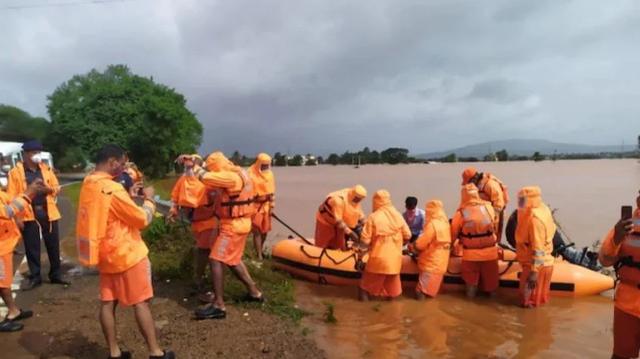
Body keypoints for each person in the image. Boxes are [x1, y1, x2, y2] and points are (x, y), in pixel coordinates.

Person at [76, 144, 174, 359]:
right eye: (121, 164)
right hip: (128, 254)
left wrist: (128, 196)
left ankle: (114, 352)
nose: (123, 168)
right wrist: (149, 199)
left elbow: (108, 212)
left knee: (107, 303)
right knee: (141, 303)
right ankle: (155, 352)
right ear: (112, 162)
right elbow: (140, 219)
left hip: (105, 254)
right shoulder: (113, 189)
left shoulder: (89, 183)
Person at [182, 152, 263, 320]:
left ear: (216, 166)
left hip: (232, 226)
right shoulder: (241, 172)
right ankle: (255, 293)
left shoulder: (230, 177)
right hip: (240, 223)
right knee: (232, 260)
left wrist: (192, 165)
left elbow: (206, 177)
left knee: (215, 259)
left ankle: (219, 305)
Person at [7, 140, 69, 290]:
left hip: (48, 212)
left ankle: (55, 274)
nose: (37, 155)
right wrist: (17, 217)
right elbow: (12, 196)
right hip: (28, 213)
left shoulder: (46, 169)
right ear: (26, 154)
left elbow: (56, 188)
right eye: (34, 153)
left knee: (53, 244)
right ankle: (35, 277)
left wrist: (47, 190)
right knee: (32, 247)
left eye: (38, 152)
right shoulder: (15, 173)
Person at [168, 154, 218, 301]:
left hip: (209, 222)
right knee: (202, 252)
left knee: (205, 252)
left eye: (193, 164)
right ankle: (201, 280)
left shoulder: (207, 180)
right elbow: (174, 196)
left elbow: (215, 196)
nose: (189, 167)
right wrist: (173, 209)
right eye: (187, 165)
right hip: (196, 222)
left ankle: (208, 284)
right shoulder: (183, 179)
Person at [0, 176, 47, 332]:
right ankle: (5, 319)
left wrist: (29, 193)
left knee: (4, 282)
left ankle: (13, 311)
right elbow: (6, 211)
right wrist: (29, 193)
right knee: (2, 283)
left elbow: (10, 201)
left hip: (4, 245)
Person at [599, 190, 640, 359]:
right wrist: (616, 238)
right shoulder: (627, 224)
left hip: (627, 303)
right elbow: (604, 260)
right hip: (627, 305)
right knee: (621, 356)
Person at [358, 190, 411, 301]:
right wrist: (399, 244)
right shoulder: (398, 215)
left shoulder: (373, 217)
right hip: (395, 261)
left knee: (364, 289)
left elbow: (364, 242)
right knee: (394, 293)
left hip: (378, 260)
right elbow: (408, 235)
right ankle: (394, 315)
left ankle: (364, 314)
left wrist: (360, 259)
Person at [451, 183, 499, 298]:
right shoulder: (489, 208)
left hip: (470, 255)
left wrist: (451, 248)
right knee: (492, 287)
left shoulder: (461, 213)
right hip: (491, 254)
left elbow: (453, 233)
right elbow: (495, 226)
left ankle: (470, 302)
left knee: (471, 285)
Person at [514, 187, 556, 308]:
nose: (520, 203)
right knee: (538, 302)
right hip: (546, 264)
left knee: (526, 303)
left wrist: (534, 272)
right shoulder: (543, 210)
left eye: (522, 200)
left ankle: (530, 325)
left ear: (529, 200)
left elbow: (538, 249)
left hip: (535, 267)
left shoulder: (534, 220)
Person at [408, 200, 451, 299]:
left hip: (431, 264)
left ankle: (422, 313)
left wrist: (412, 247)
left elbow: (421, 244)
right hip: (441, 264)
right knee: (430, 292)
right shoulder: (445, 224)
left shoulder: (432, 225)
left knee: (420, 291)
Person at [461, 167, 508, 243]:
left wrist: (493, 219)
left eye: (469, 182)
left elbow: (499, 205)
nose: (469, 185)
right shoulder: (477, 186)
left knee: (494, 236)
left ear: (474, 179)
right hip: (485, 214)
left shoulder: (490, 185)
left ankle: (495, 246)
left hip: (497, 214)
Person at [315, 185, 367, 250]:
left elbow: (360, 214)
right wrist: (351, 233)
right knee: (324, 242)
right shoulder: (338, 201)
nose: (359, 200)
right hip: (326, 220)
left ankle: (340, 249)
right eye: (358, 199)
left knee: (340, 243)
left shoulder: (354, 199)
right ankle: (321, 252)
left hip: (341, 221)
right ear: (354, 195)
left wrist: (367, 227)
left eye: (360, 199)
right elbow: (339, 221)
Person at [249, 153, 276, 260]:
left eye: (267, 165)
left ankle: (260, 249)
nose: (265, 167)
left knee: (265, 231)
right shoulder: (250, 174)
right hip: (255, 207)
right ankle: (259, 255)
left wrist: (272, 207)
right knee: (257, 231)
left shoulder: (270, 175)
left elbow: (272, 192)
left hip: (266, 206)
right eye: (263, 165)